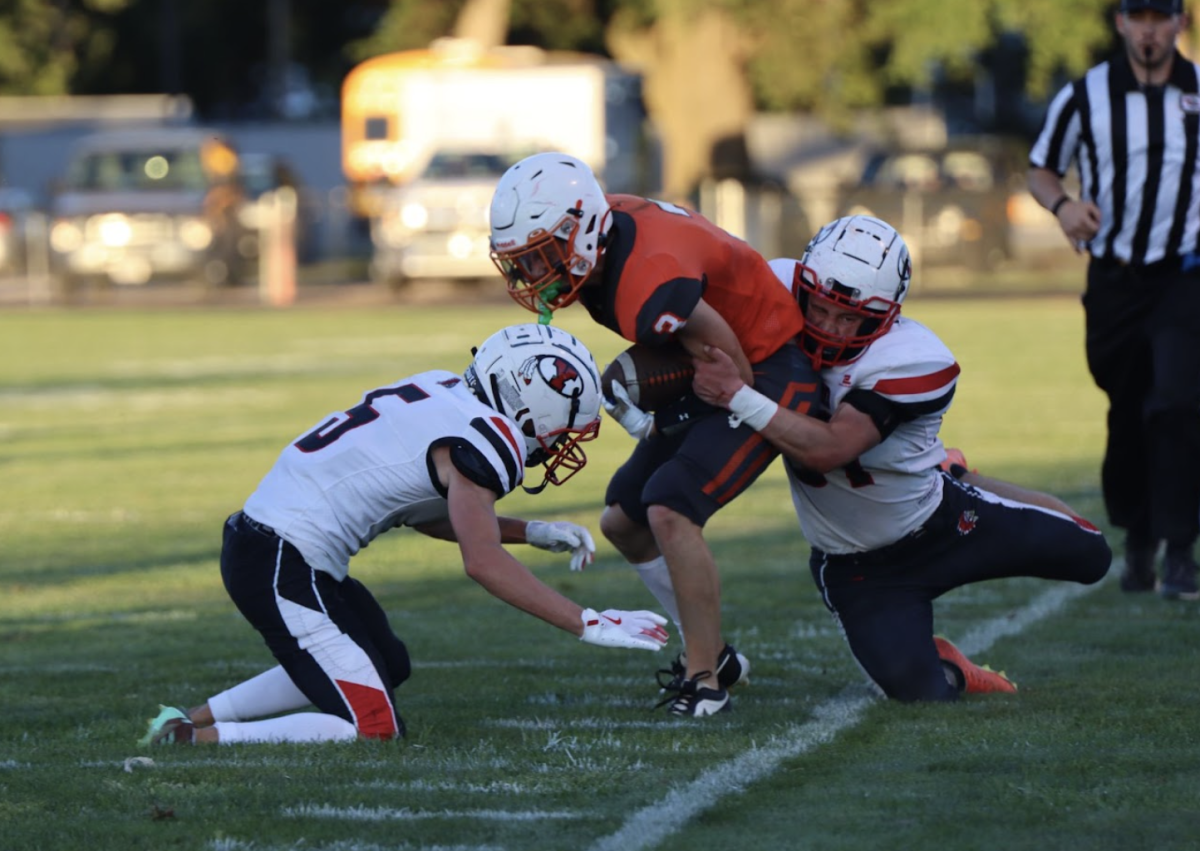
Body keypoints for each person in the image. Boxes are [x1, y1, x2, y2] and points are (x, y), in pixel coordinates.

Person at [139, 323, 670, 746]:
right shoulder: (492, 437)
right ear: (532, 400)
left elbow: (423, 514)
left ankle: (186, 717)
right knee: (375, 728)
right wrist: (587, 622)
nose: (557, 445)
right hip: (282, 560)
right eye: (562, 429)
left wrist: (530, 531)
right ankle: (194, 738)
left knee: (387, 663)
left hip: (277, 546)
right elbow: (480, 560)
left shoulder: (443, 387)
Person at [687, 215, 1112, 701]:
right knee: (925, 694)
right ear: (802, 287)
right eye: (820, 309)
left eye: (850, 318)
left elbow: (829, 449)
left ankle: (958, 473)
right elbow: (690, 296)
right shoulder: (776, 286)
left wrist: (737, 395)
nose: (828, 327)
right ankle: (952, 662)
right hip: (858, 566)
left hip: (945, 524)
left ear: (886, 316)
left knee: (1092, 556)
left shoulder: (910, 358)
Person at [488, 152, 821, 717]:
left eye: (542, 254)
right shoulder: (603, 238)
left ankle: (705, 680)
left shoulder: (649, 281)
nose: (533, 273)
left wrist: (714, 402)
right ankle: (716, 652)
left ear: (583, 230)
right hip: (711, 355)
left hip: (765, 368)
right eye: (523, 259)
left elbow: (727, 362)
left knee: (669, 508)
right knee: (624, 517)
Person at [1027, 0, 1200, 600]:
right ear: (1121, 22)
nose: (1149, 29)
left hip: (1184, 276)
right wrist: (1065, 206)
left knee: (1176, 406)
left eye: (1161, 16)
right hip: (1115, 279)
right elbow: (1041, 169)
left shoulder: (1198, 88)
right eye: (1139, 16)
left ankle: (1181, 550)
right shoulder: (1087, 93)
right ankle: (1140, 538)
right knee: (1127, 411)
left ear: (1181, 21)